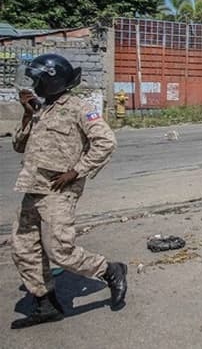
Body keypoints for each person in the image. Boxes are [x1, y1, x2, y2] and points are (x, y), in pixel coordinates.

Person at [10, 54, 127, 329]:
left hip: (58, 191)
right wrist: (27, 114)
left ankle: (109, 270)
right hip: (33, 187)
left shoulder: (79, 108)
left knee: (59, 251)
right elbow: (18, 145)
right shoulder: (40, 109)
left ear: (53, 80)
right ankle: (46, 304)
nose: (33, 84)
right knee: (24, 248)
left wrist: (77, 171)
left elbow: (106, 142)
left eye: (38, 79)